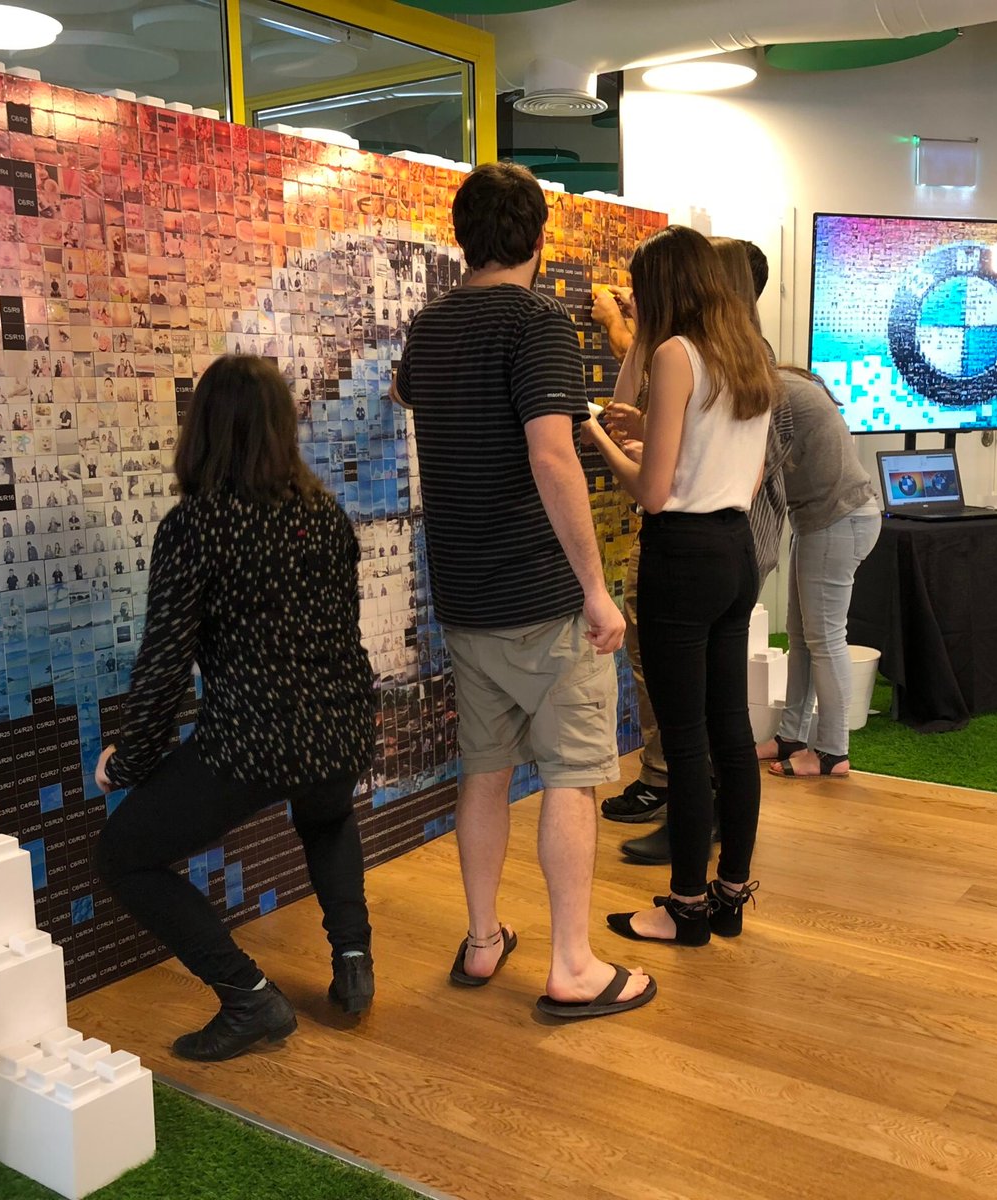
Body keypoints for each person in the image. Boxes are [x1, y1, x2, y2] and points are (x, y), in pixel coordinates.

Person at [392, 161, 654, 1020]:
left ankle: (481, 940)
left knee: (485, 774)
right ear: (539, 238)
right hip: (542, 597)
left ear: (463, 238)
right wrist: (597, 589)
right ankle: (573, 965)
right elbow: (551, 455)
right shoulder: (537, 320)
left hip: (465, 595)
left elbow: (408, 390)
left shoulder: (429, 327)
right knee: (574, 778)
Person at [93, 355, 377, 1063]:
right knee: (327, 814)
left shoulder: (196, 525)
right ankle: (353, 961)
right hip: (341, 722)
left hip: (254, 739)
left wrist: (126, 763)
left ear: (205, 433)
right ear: (282, 429)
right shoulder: (322, 513)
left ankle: (248, 997)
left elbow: (163, 664)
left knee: (123, 856)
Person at [584, 224, 776, 945]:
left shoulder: (672, 353)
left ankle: (684, 907)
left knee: (686, 738)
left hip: (682, 557)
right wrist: (647, 432)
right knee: (731, 730)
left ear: (663, 288)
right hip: (734, 550)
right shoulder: (749, 355)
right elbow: (738, 470)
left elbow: (654, 493)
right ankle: (727, 897)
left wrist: (597, 432)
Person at [758, 370, 882, 778]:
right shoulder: (783, 383)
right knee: (802, 636)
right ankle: (791, 736)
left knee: (825, 639)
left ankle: (832, 753)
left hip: (836, 518)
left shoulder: (772, 394)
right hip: (827, 518)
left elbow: (757, 475)